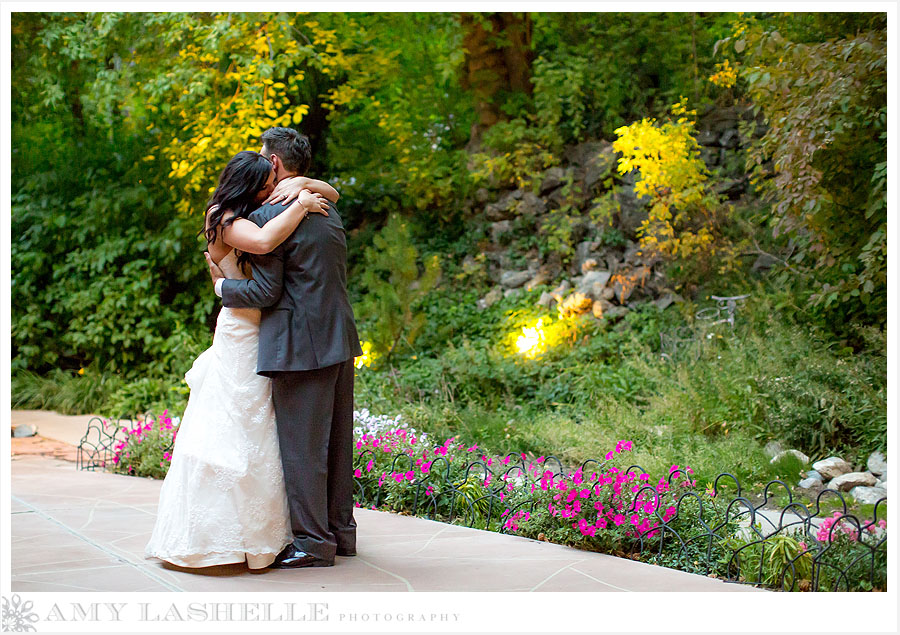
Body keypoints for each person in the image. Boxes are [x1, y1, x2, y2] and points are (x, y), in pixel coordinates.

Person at [145, 149, 337, 569]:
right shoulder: (225, 219)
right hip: (242, 326)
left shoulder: (247, 211)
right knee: (234, 424)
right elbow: (266, 243)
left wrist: (307, 186)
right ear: (247, 186)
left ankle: (270, 531)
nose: (272, 191)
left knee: (261, 427)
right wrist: (302, 204)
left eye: (273, 184)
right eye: (265, 187)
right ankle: (222, 536)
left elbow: (331, 194)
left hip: (262, 327)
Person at [205, 127, 363, 568]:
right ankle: (341, 533)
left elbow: (266, 292)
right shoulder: (326, 207)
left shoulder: (266, 218)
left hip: (299, 345)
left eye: (261, 155)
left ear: (273, 163)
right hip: (339, 335)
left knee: (302, 449)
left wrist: (221, 286)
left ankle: (313, 544)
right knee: (336, 445)